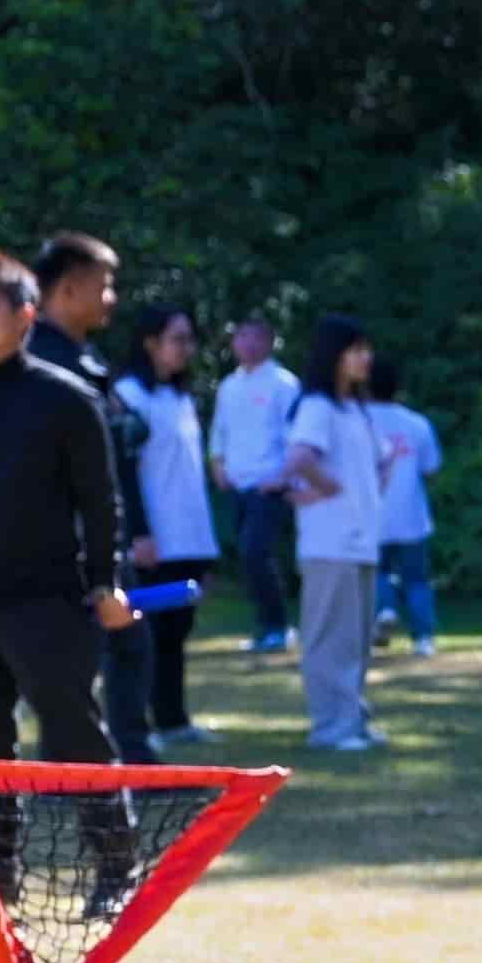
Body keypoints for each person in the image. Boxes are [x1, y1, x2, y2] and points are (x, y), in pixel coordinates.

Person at [0, 249, 132, 769]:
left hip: (46, 605)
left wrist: (105, 582)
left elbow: (100, 501)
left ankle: (111, 829)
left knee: (78, 743)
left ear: (25, 315)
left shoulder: (68, 400)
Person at [25, 234, 154, 762]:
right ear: (68, 290)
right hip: (68, 550)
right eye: (103, 287)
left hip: (105, 537)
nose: (111, 298)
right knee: (73, 672)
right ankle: (71, 781)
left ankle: (131, 764)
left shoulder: (85, 359)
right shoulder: (38, 366)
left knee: (128, 651)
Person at [281, 315, 396, 752]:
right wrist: (322, 487)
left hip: (362, 541)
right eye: (356, 350)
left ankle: (352, 719)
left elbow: (383, 461)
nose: (366, 358)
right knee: (331, 638)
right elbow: (298, 457)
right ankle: (330, 727)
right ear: (334, 355)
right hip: (329, 542)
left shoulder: (356, 409)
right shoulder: (317, 406)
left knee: (357, 639)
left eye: (366, 349)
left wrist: (369, 486)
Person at [117, 304, 220, 746]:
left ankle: (173, 719)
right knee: (146, 635)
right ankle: (136, 724)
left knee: (176, 632)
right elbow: (123, 472)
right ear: (150, 343)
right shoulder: (127, 396)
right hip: (153, 539)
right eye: (178, 339)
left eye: (189, 339)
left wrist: (206, 544)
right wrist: (138, 533)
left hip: (188, 536)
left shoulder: (181, 398)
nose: (186, 348)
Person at [208, 316, 301, 652]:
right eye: (242, 337)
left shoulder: (283, 383)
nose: (247, 344)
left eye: (255, 337)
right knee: (248, 557)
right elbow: (220, 430)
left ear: (270, 342)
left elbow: (295, 435)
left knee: (256, 551)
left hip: (269, 484)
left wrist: (284, 478)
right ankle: (265, 626)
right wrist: (218, 464)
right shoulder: (229, 385)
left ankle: (278, 626)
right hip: (238, 483)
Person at [368, 357, 442, 656]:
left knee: (374, 571)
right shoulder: (416, 423)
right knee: (417, 579)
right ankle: (423, 637)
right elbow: (431, 468)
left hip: (369, 513)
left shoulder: (357, 422)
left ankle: (384, 610)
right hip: (411, 514)